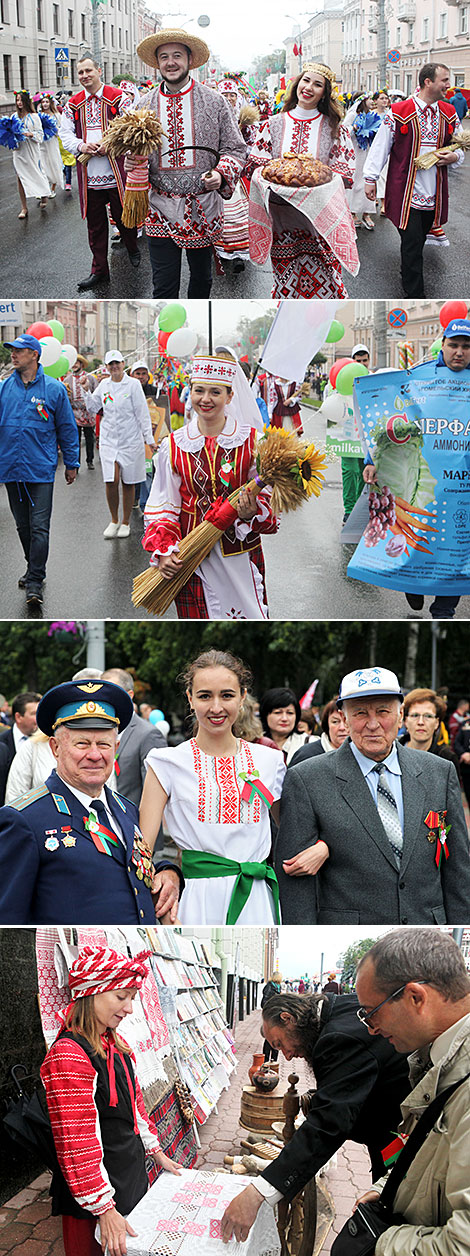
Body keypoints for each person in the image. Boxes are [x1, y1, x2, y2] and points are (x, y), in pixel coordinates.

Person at [275, 666, 470, 924]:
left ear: (400, 716)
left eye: (383, 711)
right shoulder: (307, 778)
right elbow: (296, 881)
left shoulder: (439, 772)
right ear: (344, 719)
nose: (373, 724)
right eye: (360, 713)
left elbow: (457, 868)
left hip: (427, 929)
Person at [220, 987, 410, 1244]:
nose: (286, 1054)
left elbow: (327, 1126)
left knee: (393, 1213)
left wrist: (258, 1193)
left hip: (401, 1136)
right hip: (393, 1127)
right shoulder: (336, 1007)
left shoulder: (337, 1038)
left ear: (288, 1018)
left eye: (279, 1044)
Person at [0, 680, 183, 924]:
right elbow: (8, 922)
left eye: (104, 744)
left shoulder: (125, 808)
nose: (95, 755)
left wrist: (166, 871)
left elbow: (121, 865)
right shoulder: (23, 819)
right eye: (82, 744)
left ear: (116, 748)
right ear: (55, 748)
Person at [41, 945, 180, 1256]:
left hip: (126, 1176)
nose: (129, 1008)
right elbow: (76, 1140)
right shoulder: (69, 1055)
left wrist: (156, 1154)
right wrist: (104, 1207)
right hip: (93, 1196)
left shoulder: (117, 1045)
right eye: (121, 997)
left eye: (132, 998)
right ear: (92, 993)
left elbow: (135, 1109)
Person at [139, 649, 286, 925]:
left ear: (243, 697)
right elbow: (143, 849)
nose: (216, 707)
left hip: (256, 896)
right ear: (190, 699)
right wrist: (161, 894)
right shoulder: (165, 762)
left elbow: (291, 832)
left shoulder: (271, 760)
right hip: (194, 898)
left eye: (227, 695)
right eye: (205, 695)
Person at [354, 927, 470, 1255]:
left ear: (415, 997)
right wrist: (390, 1186)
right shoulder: (438, 1056)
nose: (371, 1029)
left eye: (371, 1012)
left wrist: (377, 1243)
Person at [142, 353, 278, 619]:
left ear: (229, 396)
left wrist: (253, 512)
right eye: (199, 390)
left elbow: (270, 500)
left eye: (215, 392)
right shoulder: (174, 445)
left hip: (239, 551)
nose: (206, 399)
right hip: (190, 555)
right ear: (189, 392)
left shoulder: (252, 442)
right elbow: (164, 503)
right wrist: (165, 550)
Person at [363, 318, 470, 618]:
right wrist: (372, 461)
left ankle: (445, 608)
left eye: (466, 346)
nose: (459, 352)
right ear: (444, 345)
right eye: (454, 345)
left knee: (459, 547)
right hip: (422, 480)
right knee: (418, 533)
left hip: (463, 484)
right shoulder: (418, 377)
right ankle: (413, 584)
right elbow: (392, 421)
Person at [134, 30, 247, 297]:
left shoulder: (215, 101)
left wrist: (222, 174)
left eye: (176, 56)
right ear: (157, 63)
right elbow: (133, 152)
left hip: (202, 206)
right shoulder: (142, 106)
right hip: (159, 206)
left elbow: (235, 148)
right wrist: (132, 162)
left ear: (189, 59)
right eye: (164, 57)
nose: (170, 62)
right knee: (163, 285)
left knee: (201, 282)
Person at [247, 63, 355, 298]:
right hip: (282, 217)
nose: (309, 88)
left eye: (318, 85)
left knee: (327, 276)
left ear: (325, 93)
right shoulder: (272, 124)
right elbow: (257, 167)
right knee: (287, 275)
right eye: (306, 81)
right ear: (297, 83)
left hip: (321, 217)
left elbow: (343, 174)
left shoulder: (334, 127)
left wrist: (316, 184)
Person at [364, 64, 463, 297]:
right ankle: (414, 293)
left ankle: (407, 274)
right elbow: (380, 148)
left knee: (417, 244)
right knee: (411, 244)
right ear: (428, 82)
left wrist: (454, 156)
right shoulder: (398, 112)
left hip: (434, 193)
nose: (449, 85)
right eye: (444, 80)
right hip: (405, 192)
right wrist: (370, 178)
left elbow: (461, 147)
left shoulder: (449, 113)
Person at [0, 333, 79, 609]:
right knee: (23, 527)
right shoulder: (3, 388)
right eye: (12, 350)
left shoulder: (54, 390)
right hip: (11, 468)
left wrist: (72, 463)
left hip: (41, 470)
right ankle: (32, 566)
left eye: (19, 351)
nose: (13, 354)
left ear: (34, 354)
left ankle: (35, 580)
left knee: (40, 529)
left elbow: (67, 429)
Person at [59, 55, 140, 290]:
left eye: (88, 71)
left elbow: (131, 127)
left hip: (115, 171)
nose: (84, 76)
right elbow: (65, 134)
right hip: (90, 174)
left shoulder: (118, 98)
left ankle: (132, 248)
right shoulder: (73, 104)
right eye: (80, 72)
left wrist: (112, 145)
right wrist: (81, 146)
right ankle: (99, 270)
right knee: (95, 226)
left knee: (125, 217)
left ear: (99, 71)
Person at [85, 350, 156, 538]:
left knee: (128, 481)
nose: (114, 367)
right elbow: (93, 407)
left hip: (130, 439)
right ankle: (113, 519)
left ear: (123, 364)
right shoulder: (104, 385)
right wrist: (86, 391)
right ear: (107, 367)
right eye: (111, 364)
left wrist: (149, 439)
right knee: (111, 479)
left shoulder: (133, 385)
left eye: (117, 363)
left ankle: (125, 522)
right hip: (109, 440)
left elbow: (142, 413)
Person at [101, 667, 166, 807]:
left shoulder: (148, 734)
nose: (105, 699)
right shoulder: (98, 732)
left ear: (129, 695)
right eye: (102, 693)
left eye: (113, 693)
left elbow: (155, 798)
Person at [399, 688, 460, 777]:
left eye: (428, 716)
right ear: (405, 721)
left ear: (437, 723)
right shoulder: (391, 753)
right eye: (415, 715)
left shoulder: (447, 759)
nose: (420, 722)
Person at [341, 343, 368, 521]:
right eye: (358, 360)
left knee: (364, 471)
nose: (361, 364)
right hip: (347, 434)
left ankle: (360, 508)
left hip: (366, 434)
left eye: (364, 360)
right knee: (349, 471)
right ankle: (349, 509)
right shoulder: (342, 378)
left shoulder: (372, 379)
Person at [12, 90, 50, 216]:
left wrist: (30, 134)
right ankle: (24, 208)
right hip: (19, 152)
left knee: (37, 174)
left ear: (27, 102)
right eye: (17, 100)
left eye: (21, 100)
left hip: (31, 151)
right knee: (20, 178)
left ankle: (44, 194)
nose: (19, 102)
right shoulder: (14, 117)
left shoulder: (34, 117)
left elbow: (40, 136)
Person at [0, 692, 41, 805]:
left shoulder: (46, 743)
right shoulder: (2, 743)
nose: (39, 718)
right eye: (34, 714)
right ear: (18, 717)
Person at [289, 698, 348, 766]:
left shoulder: (361, 754)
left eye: (346, 721)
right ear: (327, 725)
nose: (342, 728)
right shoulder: (307, 755)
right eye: (335, 722)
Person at [64, 355, 97, 469]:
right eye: (73, 362)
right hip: (74, 413)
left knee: (89, 438)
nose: (74, 365)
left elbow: (96, 393)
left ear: (81, 364)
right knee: (75, 440)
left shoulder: (90, 378)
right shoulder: (67, 380)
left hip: (88, 413)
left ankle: (90, 460)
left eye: (77, 362)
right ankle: (75, 464)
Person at [258, 688, 307, 764]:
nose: (284, 718)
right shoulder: (253, 743)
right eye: (278, 713)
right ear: (265, 715)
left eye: (290, 713)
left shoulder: (308, 743)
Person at [37, 94, 64, 196]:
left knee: (53, 163)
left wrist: (52, 129)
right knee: (42, 165)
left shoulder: (56, 115)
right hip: (41, 143)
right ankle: (43, 189)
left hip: (52, 143)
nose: (45, 104)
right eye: (43, 102)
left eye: (47, 102)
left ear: (51, 103)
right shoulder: (38, 115)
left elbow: (60, 130)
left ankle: (52, 187)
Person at [260, 969, 283, 1061]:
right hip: (271, 1014)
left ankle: (274, 1059)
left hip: (276, 1013)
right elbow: (264, 1002)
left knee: (276, 1036)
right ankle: (266, 1059)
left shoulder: (277, 986)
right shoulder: (270, 987)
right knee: (270, 1036)